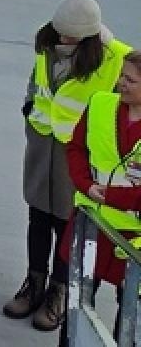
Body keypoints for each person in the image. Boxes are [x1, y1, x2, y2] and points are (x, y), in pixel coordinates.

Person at [4, 0, 129, 332]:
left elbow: (128, 102)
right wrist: (29, 110)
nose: (63, 38)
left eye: (71, 35)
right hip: (42, 145)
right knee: (38, 216)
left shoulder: (115, 58)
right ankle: (34, 282)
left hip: (77, 153)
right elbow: (36, 85)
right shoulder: (46, 44)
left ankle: (59, 291)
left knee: (66, 223)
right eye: (61, 31)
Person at [62, 52, 141, 321]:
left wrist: (113, 197)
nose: (121, 83)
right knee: (77, 306)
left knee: (130, 313)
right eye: (122, 76)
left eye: (130, 80)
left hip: (134, 236)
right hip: (92, 223)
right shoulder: (100, 105)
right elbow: (76, 148)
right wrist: (85, 184)